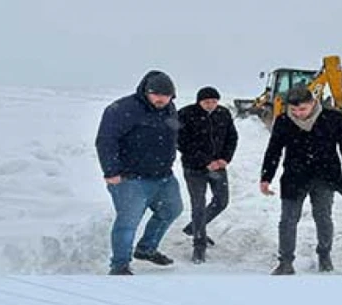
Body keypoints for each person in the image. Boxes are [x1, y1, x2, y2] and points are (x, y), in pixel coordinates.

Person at [260, 85, 342, 275]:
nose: (298, 114)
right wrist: (266, 177)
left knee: (323, 218)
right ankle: (286, 262)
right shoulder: (283, 121)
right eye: (294, 110)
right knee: (288, 220)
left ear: (313, 103)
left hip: (325, 176)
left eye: (302, 109)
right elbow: (274, 150)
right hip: (294, 177)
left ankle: (324, 255)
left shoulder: (333, 118)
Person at [95, 71, 184, 275]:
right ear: (146, 91)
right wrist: (111, 171)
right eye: (156, 94)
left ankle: (146, 249)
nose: (160, 99)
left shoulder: (169, 109)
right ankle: (120, 265)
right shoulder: (123, 109)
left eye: (166, 95)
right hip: (130, 178)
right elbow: (106, 140)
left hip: (163, 176)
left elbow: (173, 135)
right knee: (128, 221)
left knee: (172, 210)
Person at [177, 86, 238, 264]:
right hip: (194, 168)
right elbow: (182, 143)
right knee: (198, 204)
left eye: (213, 101)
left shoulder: (223, 113)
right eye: (206, 102)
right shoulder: (186, 114)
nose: (210, 105)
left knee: (221, 201)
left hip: (218, 167)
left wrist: (225, 159)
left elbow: (232, 137)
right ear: (199, 101)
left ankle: (195, 226)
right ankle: (199, 245)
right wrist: (205, 161)